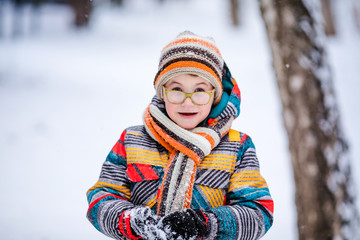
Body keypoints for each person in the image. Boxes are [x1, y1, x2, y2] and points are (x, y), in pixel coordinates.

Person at [86, 31, 274, 240]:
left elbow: (258, 213)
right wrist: (133, 221)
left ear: (214, 95)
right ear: (163, 92)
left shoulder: (237, 147)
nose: (187, 101)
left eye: (199, 90)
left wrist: (204, 224)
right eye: (177, 89)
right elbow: (101, 199)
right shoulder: (132, 141)